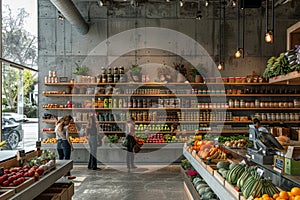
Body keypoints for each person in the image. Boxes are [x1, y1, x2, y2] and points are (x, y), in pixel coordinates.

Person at [55, 115, 76, 179]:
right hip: (65, 143)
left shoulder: (57, 125)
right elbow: (67, 138)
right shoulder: (66, 127)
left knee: (60, 159)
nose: (70, 123)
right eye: (70, 121)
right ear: (67, 121)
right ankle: (67, 175)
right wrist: (71, 146)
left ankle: (60, 175)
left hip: (58, 143)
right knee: (67, 160)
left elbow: (56, 137)